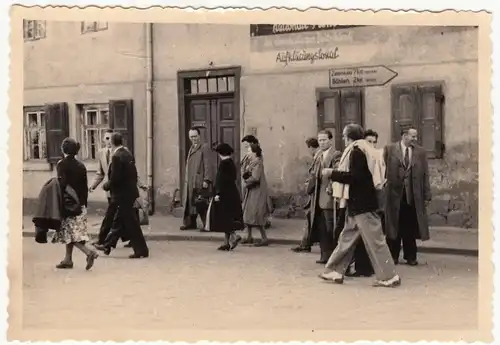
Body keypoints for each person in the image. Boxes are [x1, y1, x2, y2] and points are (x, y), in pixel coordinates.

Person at [319, 124, 400, 288]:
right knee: (346, 238)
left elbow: (356, 178)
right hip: (358, 204)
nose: (343, 139)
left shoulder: (356, 152)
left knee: (375, 241)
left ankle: (389, 276)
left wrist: (332, 173)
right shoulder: (363, 149)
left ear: (349, 137)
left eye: (344, 136)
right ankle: (334, 270)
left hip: (362, 205)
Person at [95, 133, 149, 259]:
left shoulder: (116, 156)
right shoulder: (127, 154)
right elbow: (133, 174)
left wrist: (106, 186)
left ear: (113, 143)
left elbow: (115, 178)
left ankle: (139, 250)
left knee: (125, 222)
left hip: (121, 194)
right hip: (129, 193)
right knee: (123, 221)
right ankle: (108, 245)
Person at [384, 126, 431, 266]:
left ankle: (411, 256)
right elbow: (383, 170)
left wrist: (427, 194)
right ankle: (393, 256)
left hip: (412, 196)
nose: (415, 139)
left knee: (410, 226)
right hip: (394, 195)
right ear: (404, 136)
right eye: (413, 136)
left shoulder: (420, 152)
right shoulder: (390, 149)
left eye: (415, 136)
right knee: (393, 225)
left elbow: (425, 174)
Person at [51, 138, 99, 270]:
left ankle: (89, 252)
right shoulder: (81, 165)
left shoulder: (62, 164)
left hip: (68, 204)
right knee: (72, 231)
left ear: (63, 149)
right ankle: (68, 259)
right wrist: (83, 203)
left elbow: (62, 185)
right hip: (80, 204)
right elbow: (84, 187)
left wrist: (59, 204)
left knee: (69, 233)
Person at [305, 130, 342, 264]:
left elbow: (337, 171)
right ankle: (324, 254)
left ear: (330, 140)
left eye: (324, 140)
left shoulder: (336, 154)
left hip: (329, 197)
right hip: (317, 197)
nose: (322, 142)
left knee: (330, 227)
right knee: (321, 227)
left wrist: (332, 185)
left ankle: (333, 257)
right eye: (320, 140)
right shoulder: (318, 155)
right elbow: (313, 172)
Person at [207, 143, 244, 251]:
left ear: (220, 153)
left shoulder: (224, 164)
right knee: (228, 217)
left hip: (224, 194)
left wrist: (218, 194)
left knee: (224, 217)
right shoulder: (231, 163)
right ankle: (226, 243)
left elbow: (221, 181)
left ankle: (234, 236)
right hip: (232, 193)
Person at [291, 137, 321, 253]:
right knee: (309, 220)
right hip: (315, 194)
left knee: (310, 219)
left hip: (314, 194)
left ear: (310, 148)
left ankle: (305, 244)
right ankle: (305, 244)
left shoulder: (317, 157)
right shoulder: (318, 156)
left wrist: (307, 187)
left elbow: (313, 177)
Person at [180, 128, 213, 231]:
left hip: (199, 180)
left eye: (195, 136)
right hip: (190, 181)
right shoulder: (191, 148)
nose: (193, 139)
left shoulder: (204, 147)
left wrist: (207, 180)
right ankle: (191, 223)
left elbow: (208, 165)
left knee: (201, 203)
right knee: (190, 203)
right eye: (191, 137)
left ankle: (206, 225)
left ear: (199, 136)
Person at [241, 143, 272, 246]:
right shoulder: (252, 162)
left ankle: (264, 238)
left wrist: (246, 181)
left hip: (257, 191)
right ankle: (249, 236)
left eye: (249, 151)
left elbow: (255, 178)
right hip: (252, 191)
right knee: (248, 213)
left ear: (254, 152)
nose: (248, 153)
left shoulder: (258, 163)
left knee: (257, 214)